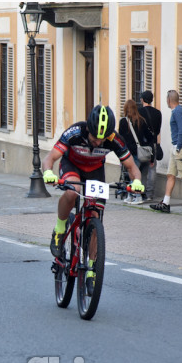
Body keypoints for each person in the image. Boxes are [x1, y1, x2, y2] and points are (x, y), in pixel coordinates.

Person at [42, 105, 144, 260]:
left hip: (95, 170)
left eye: (102, 139)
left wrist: (137, 181)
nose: (98, 142)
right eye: (94, 138)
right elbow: (50, 158)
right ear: (88, 129)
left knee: (96, 215)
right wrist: (48, 172)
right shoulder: (75, 132)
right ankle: (59, 229)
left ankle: (92, 268)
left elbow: (132, 167)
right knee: (72, 190)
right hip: (72, 165)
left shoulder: (113, 139)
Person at [118, 99, 155, 205]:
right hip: (142, 152)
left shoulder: (123, 122)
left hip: (131, 153)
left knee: (133, 175)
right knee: (138, 175)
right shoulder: (141, 120)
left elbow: (121, 139)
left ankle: (137, 196)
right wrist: (151, 154)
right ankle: (131, 195)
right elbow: (150, 137)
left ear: (125, 108)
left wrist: (121, 155)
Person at [138, 90, 163, 201]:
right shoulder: (158, 113)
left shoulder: (139, 112)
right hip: (153, 144)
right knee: (152, 169)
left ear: (142, 99)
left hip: (142, 144)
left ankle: (141, 192)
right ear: (152, 100)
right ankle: (150, 194)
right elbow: (157, 130)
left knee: (142, 169)